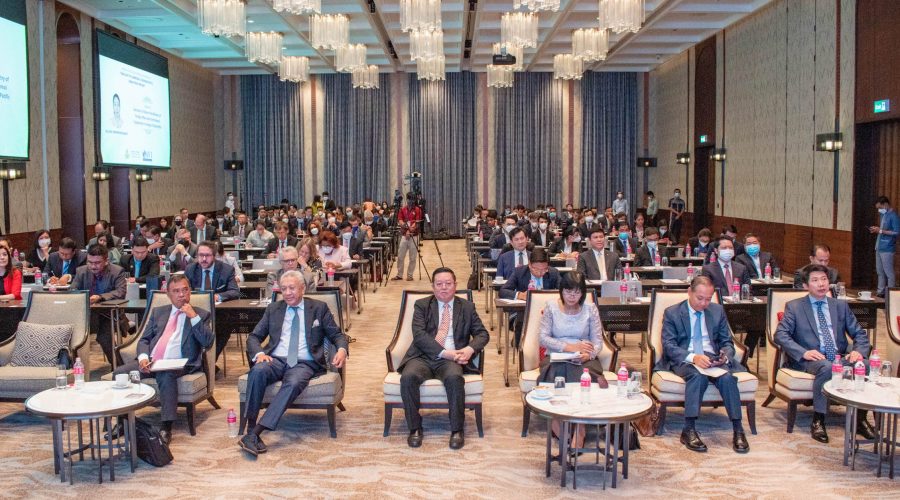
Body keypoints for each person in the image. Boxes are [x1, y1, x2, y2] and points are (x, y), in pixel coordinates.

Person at [239, 271, 348, 456]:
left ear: (303, 289)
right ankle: (250, 428)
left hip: (305, 362)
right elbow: (254, 337)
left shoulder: (318, 308)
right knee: (257, 371)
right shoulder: (274, 309)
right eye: (284, 289)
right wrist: (259, 354)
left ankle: (255, 433)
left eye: (292, 288)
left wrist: (342, 349)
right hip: (275, 359)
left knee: (294, 382)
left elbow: (337, 335)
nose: (287, 293)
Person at [774, 264, 875, 444]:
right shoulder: (795, 307)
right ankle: (818, 419)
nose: (821, 284)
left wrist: (858, 352)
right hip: (810, 360)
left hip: (838, 356)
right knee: (828, 368)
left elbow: (859, 333)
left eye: (824, 279)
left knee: (865, 365)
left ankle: (859, 419)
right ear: (805, 285)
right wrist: (804, 352)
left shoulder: (840, 306)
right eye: (815, 280)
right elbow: (780, 335)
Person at [113, 275, 213, 444]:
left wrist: (193, 317)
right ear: (168, 294)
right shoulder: (159, 312)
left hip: (180, 363)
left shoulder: (201, 315)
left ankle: (166, 426)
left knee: (166, 374)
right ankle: (123, 421)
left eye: (185, 290)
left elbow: (207, 342)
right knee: (119, 373)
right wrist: (143, 358)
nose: (181, 295)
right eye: (176, 291)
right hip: (153, 361)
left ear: (190, 291)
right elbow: (144, 339)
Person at [399, 267, 489, 450]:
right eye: (439, 284)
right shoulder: (422, 305)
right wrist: (446, 353)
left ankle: (457, 429)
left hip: (451, 360)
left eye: (448, 283)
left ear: (455, 285)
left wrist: (469, 350)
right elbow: (419, 336)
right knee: (408, 377)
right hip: (422, 356)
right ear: (433, 287)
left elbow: (482, 334)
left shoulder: (467, 307)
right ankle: (415, 428)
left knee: (455, 378)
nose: (444, 287)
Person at [656, 276, 749, 453]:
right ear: (689, 292)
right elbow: (669, 345)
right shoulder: (672, 312)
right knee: (697, 377)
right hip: (686, 358)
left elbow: (727, 342)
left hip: (712, 358)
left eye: (708, 299)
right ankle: (689, 429)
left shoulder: (717, 311)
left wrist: (725, 356)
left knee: (728, 378)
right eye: (700, 298)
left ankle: (738, 429)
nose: (704, 303)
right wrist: (693, 357)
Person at [538, 271, 605, 448]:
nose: (572, 296)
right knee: (557, 371)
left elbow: (598, 341)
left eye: (577, 292)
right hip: (557, 355)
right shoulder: (551, 307)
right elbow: (543, 338)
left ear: (582, 293)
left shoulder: (590, 309)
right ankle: (557, 420)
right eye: (568, 292)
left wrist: (589, 354)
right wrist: (570, 347)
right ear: (561, 291)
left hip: (584, 358)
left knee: (583, 374)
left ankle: (580, 428)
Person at [185, 241, 240, 363]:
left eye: (207, 255)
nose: (204, 259)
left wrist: (218, 296)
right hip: (195, 312)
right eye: (201, 255)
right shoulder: (190, 269)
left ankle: (208, 363)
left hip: (217, 313)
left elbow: (235, 292)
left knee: (225, 328)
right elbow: (185, 291)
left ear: (214, 256)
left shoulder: (226, 270)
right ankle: (197, 362)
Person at [72, 244, 128, 364]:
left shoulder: (117, 271)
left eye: (97, 263)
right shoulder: (81, 271)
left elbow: (120, 292)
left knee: (105, 337)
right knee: (69, 333)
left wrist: (100, 297)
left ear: (106, 261)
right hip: (86, 315)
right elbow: (73, 290)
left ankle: (118, 367)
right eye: (90, 262)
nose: (93, 266)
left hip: (108, 315)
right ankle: (73, 367)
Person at [499, 249, 561, 346]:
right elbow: (503, 291)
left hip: (546, 310)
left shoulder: (553, 273)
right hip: (524, 311)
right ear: (529, 265)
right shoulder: (519, 272)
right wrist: (519, 295)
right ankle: (520, 346)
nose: (540, 273)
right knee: (523, 321)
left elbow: (563, 291)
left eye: (544, 269)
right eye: (536, 269)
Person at [870, 196, 899, 297]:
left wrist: (881, 231)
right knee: (880, 271)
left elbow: (896, 232)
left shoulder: (893, 216)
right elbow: (882, 229)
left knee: (889, 272)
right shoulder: (883, 215)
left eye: (880, 207)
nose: (879, 210)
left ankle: (891, 294)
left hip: (887, 248)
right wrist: (877, 229)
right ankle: (880, 292)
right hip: (879, 246)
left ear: (885, 204)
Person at [394, 194, 423, 281]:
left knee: (412, 257)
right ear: (407, 199)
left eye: (412, 199)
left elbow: (417, 223)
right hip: (404, 236)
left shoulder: (418, 209)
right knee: (400, 256)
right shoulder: (402, 209)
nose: (411, 201)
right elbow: (400, 220)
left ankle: (410, 275)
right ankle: (399, 275)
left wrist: (410, 231)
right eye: (409, 199)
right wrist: (405, 227)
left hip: (414, 235)